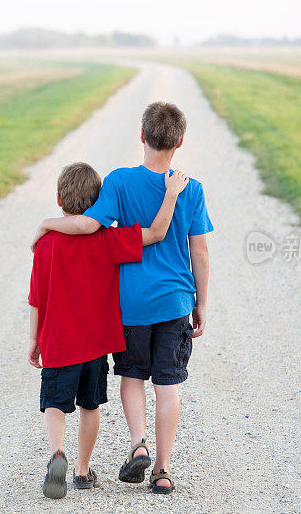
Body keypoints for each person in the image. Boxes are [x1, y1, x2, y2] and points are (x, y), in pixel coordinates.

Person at [31, 102, 212, 494]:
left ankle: (137, 444)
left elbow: (88, 225)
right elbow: (199, 252)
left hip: (131, 304)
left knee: (132, 377)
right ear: (180, 141)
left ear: (142, 136)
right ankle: (162, 470)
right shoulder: (191, 189)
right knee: (168, 385)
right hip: (177, 302)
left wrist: (46, 223)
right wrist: (200, 303)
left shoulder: (118, 182)